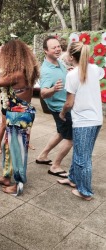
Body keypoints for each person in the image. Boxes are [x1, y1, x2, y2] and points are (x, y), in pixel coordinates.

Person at [0, 40, 39, 195]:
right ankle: (6, 177)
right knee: (8, 148)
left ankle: (18, 185)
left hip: (19, 115)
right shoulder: (25, 70)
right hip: (18, 113)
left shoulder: (17, 74)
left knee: (17, 152)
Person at [58, 42, 103, 201]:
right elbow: (99, 73)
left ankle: (85, 192)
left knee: (82, 158)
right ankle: (73, 179)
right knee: (81, 152)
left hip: (84, 121)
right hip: (96, 119)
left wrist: (62, 113)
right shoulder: (95, 69)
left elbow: (69, 103)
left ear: (71, 57)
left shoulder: (71, 75)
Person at [36, 36, 72, 178]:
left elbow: (62, 72)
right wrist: (53, 89)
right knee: (71, 138)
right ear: (46, 50)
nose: (58, 49)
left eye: (58, 46)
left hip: (64, 106)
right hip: (60, 109)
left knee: (60, 133)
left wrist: (68, 70)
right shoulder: (46, 71)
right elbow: (43, 93)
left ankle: (42, 156)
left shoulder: (59, 63)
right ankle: (55, 166)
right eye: (53, 47)